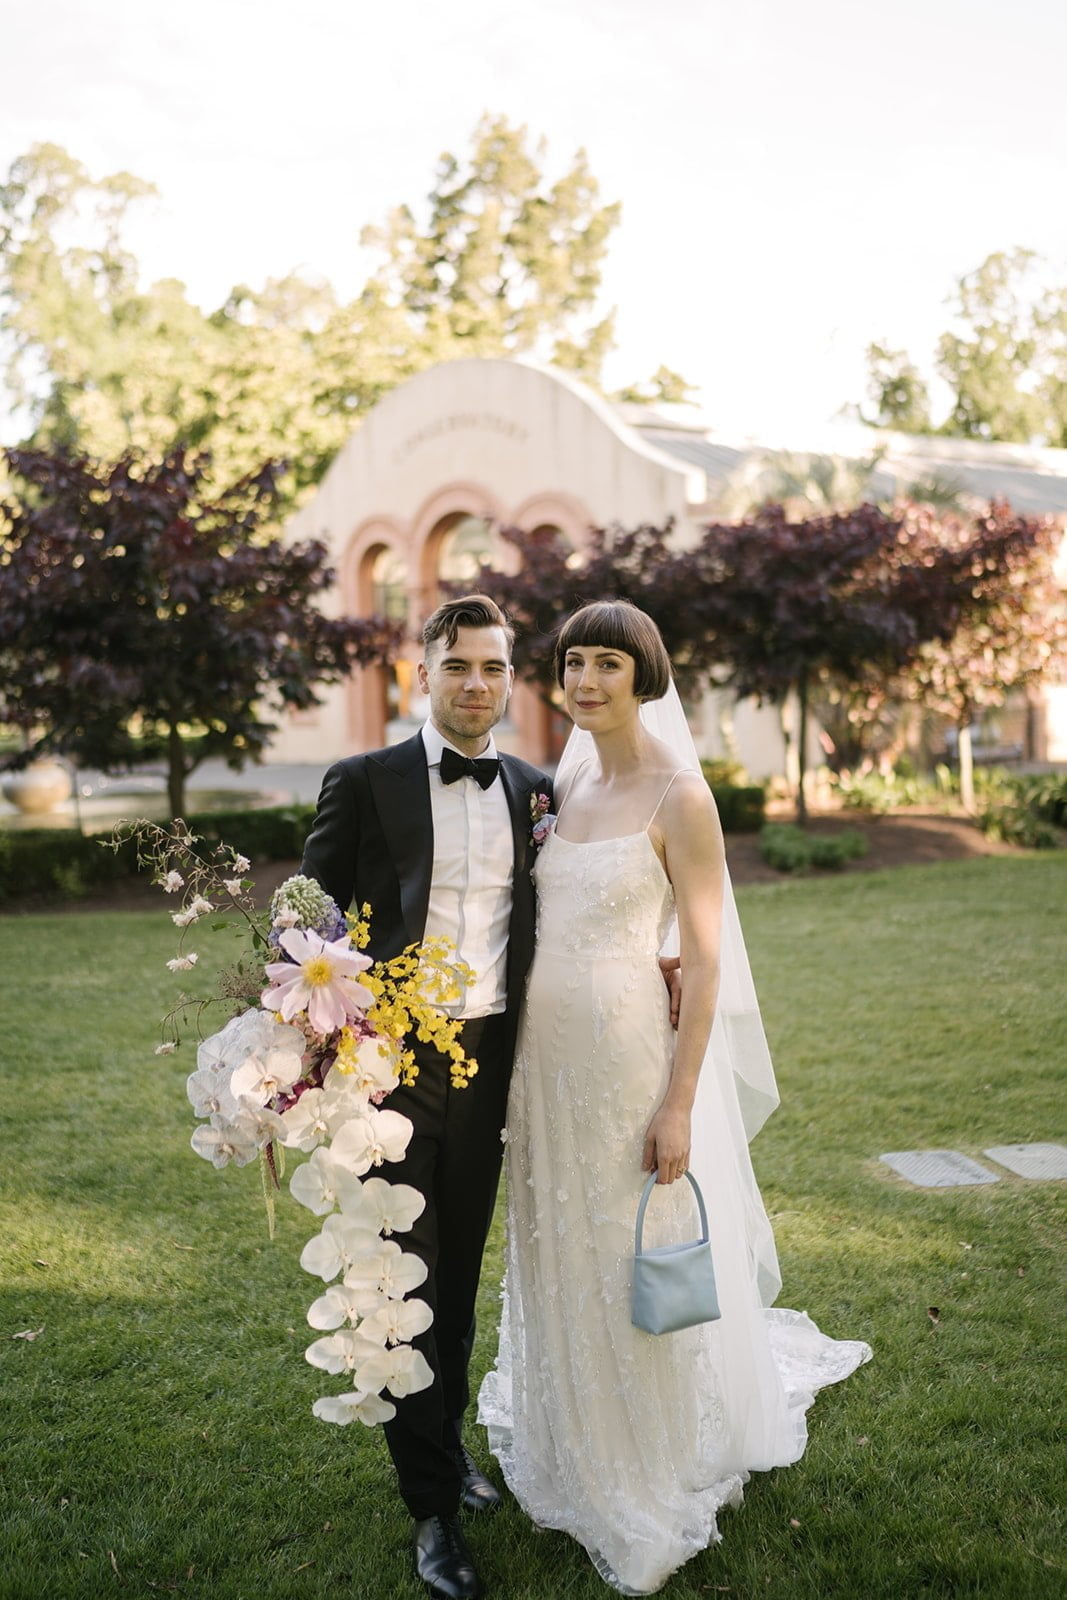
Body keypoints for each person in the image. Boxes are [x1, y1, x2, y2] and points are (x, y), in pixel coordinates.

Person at [478, 600, 872, 1596]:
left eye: (608, 663)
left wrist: (678, 1103)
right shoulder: (563, 777)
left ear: (644, 675)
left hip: (622, 1062)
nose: (585, 680)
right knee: (556, 1238)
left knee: (622, 1250)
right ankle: (566, 1434)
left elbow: (702, 960)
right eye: (574, 661)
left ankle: (637, 1464)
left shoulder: (680, 796)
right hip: (538, 1062)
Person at [300, 593, 548, 1600]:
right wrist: (328, 1041)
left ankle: (446, 1449)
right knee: (405, 1280)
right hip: (390, 1066)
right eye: (457, 665)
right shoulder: (364, 781)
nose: (475, 684)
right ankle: (433, 1512)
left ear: (509, 679)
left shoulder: (533, 790)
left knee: (458, 1277)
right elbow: (306, 919)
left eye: (492, 667)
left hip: (491, 1061)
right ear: (423, 675)